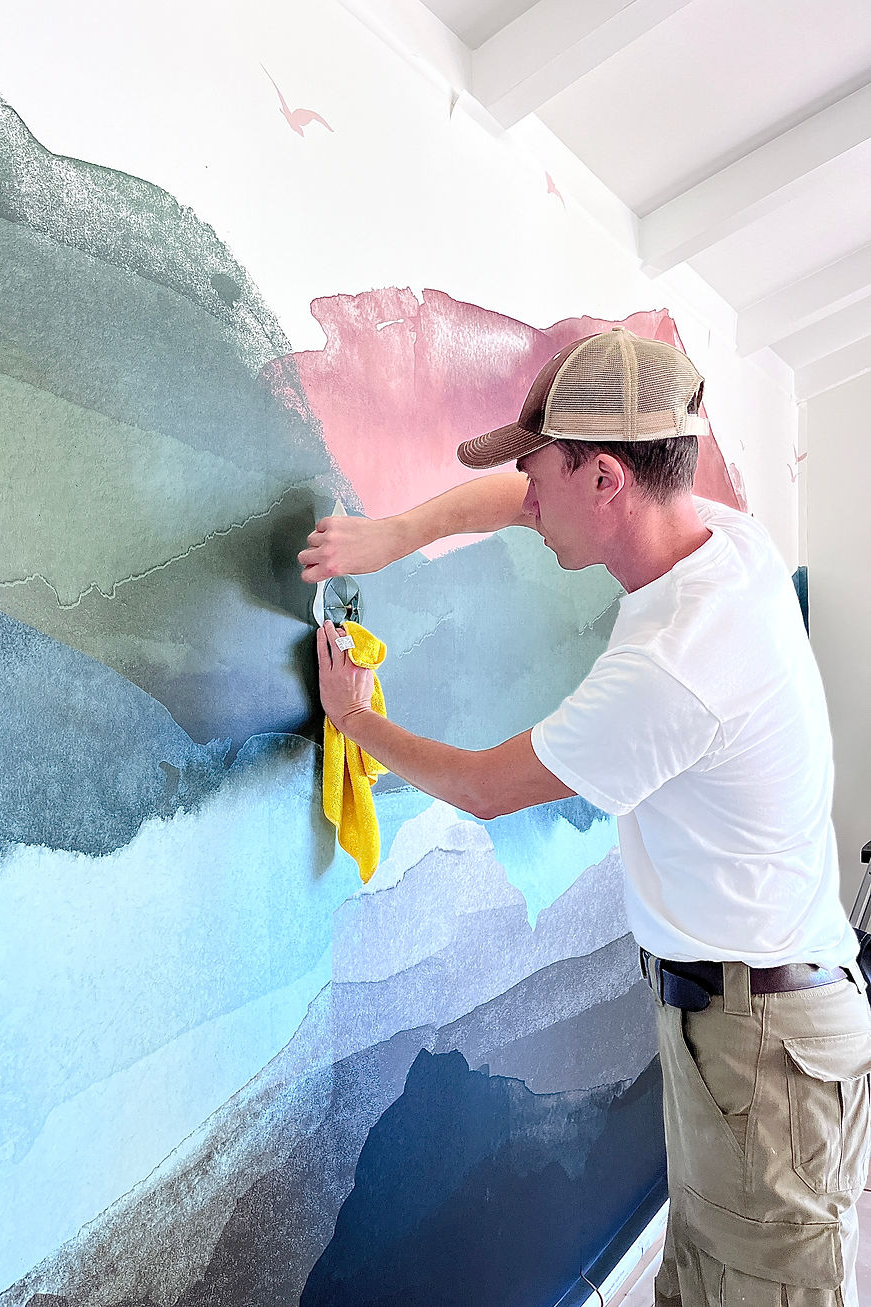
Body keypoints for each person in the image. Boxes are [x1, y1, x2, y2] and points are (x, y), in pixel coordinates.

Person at [297, 325, 871, 1307]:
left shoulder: (674, 664)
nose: (523, 498)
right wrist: (393, 535)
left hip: (762, 1042)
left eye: (537, 473)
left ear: (603, 477)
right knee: (702, 1278)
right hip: (745, 1017)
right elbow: (523, 506)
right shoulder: (717, 534)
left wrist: (352, 718)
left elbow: (483, 785)